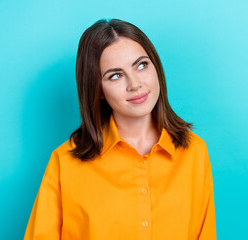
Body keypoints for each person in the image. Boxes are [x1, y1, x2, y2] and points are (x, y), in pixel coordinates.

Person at [24, 18, 216, 240]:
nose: (135, 84)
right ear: (98, 90)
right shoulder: (64, 162)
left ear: (156, 67)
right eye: (115, 75)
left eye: (141, 65)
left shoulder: (194, 151)